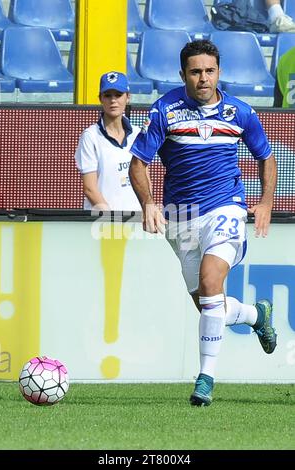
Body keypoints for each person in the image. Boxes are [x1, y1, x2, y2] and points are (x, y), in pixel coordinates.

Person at [129, 39, 277, 407]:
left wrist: (265, 202)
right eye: (195, 71)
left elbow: (266, 158)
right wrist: (148, 203)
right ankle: (256, 314)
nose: (203, 78)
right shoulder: (165, 110)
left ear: (219, 72)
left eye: (209, 70)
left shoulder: (240, 113)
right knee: (211, 306)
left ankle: (205, 380)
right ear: (183, 75)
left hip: (226, 209)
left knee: (212, 281)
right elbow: (138, 164)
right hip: (180, 221)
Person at [75, 71, 140, 211]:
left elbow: (144, 178)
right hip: (101, 223)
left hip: (136, 221)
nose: (113, 100)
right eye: (107, 95)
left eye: (118, 95)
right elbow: (89, 188)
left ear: (128, 97)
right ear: (100, 99)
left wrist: (147, 210)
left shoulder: (137, 133)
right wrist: (111, 220)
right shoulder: (90, 136)